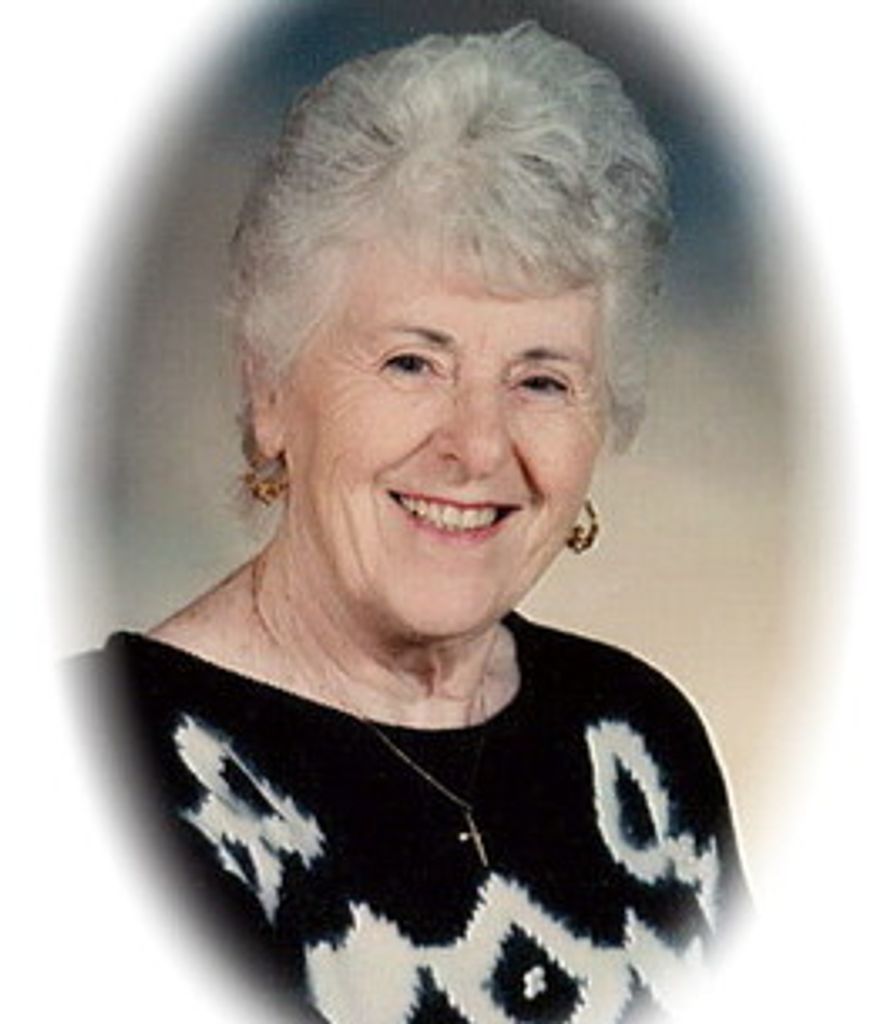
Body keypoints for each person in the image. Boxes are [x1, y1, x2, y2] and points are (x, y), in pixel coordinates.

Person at [89, 22, 747, 1024]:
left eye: (540, 379)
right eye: (412, 362)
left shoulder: (638, 740)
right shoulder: (97, 770)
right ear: (270, 392)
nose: (476, 447)